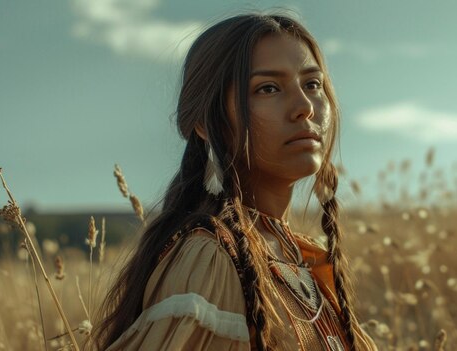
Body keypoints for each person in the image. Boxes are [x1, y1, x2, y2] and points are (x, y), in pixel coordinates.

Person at [92, 12, 378, 351]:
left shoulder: (302, 257)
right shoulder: (208, 259)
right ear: (204, 123)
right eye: (268, 88)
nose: (304, 107)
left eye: (312, 84)